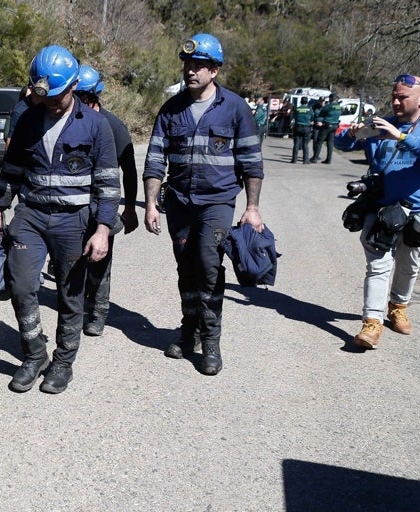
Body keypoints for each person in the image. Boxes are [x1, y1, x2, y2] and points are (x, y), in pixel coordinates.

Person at [0, 45, 120, 394]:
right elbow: (11, 170)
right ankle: (34, 354)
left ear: (74, 86)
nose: (51, 103)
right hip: (30, 215)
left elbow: (108, 184)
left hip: (74, 221)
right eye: (44, 95)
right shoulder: (29, 118)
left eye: (58, 96)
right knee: (20, 285)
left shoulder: (95, 126)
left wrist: (103, 229)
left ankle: (63, 362)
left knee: (69, 294)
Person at [142, 33, 264, 376]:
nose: (191, 71)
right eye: (188, 65)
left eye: (199, 66)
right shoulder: (171, 109)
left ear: (215, 70)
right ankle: (188, 332)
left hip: (218, 203)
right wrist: (151, 204)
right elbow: (154, 161)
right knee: (186, 269)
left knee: (209, 267)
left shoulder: (235, 108)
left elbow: (252, 163)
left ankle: (211, 342)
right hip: (179, 203)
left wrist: (252, 208)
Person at [340, 74, 420, 349]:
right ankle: (371, 323)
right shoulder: (378, 125)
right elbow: (342, 143)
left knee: (409, 265)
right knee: (378, 266)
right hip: (382, 208)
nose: (396, 102)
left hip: (419, 212)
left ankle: (398, 306)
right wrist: (352, 134)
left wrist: (400, 136)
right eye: (394, 96)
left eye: (403, 97)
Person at [72, 64, 139, 336]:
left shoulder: (114, 126)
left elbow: (130, 170)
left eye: (82, 97)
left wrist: (132, 207)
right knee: (75, 259)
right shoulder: (72, 121)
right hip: (75, 203)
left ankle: (98, 313)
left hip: (104, 205)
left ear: (92, 97)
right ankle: (76, 307)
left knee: (100, 261)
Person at [311, 94, 342, 164]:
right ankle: (328, 159)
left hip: (327, 125)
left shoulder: (328, 106)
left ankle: (315, 157)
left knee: (319, 141)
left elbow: (322, 113)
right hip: (335, 125)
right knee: (330, 143)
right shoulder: (339, 106)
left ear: (331, 98)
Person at [290, 98, 315, 164]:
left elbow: (293, 116)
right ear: (307, 102)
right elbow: (312, 119)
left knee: (296, 144)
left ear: (301, 102)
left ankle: (294, 160)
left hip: (297, 127)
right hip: (306, 128)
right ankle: (305, 160)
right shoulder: (310, 109)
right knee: (305, 144)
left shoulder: (297, 109)